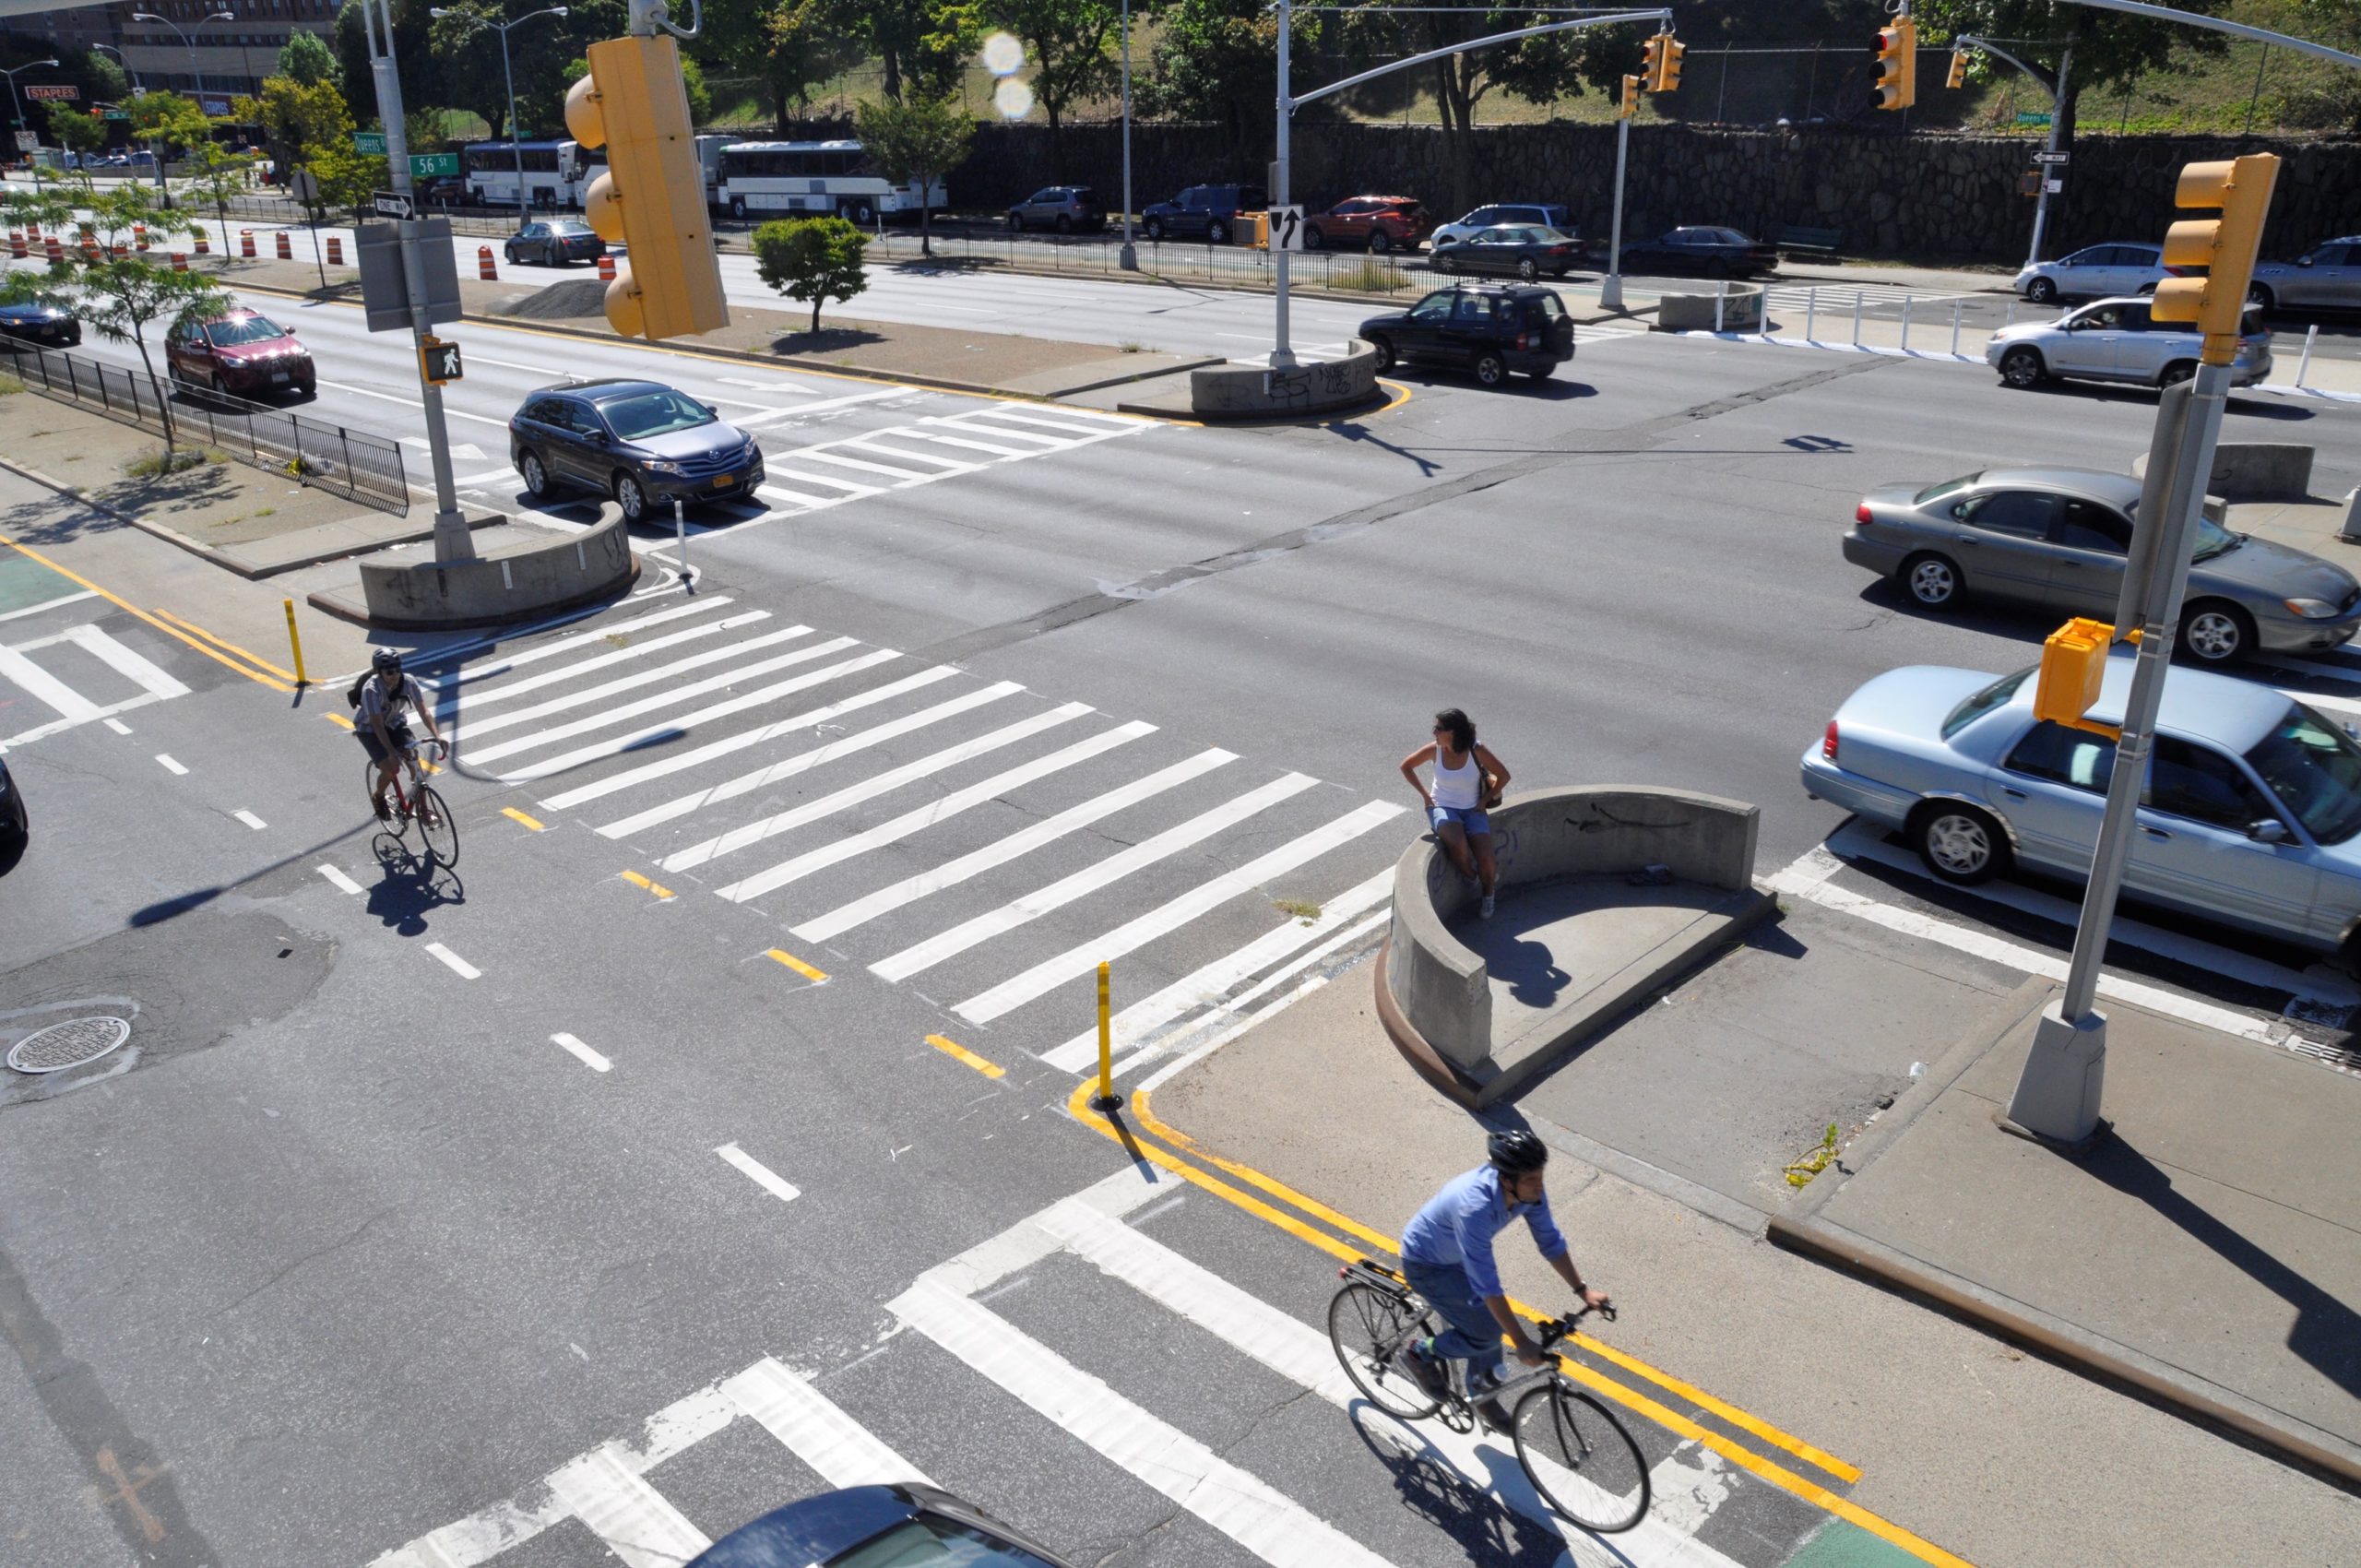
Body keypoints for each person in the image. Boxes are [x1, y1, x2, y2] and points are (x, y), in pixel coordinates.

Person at [1393, 1130, 1610, 1434]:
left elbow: (1549, 1241)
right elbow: (1487, 1284)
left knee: (1487, 1324)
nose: (1540, 1185)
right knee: (1487, 1331)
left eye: (1540, 1176)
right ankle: (1418, 1353)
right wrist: (1520, 1341)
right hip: (1428, 1264)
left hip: (1458, 1258)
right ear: (1506, 1180)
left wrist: (1582, 1291)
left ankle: (1482, 1393)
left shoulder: (1529, 1193)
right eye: (1531, 1180)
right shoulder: (1475, 1207)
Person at [1400, 707, 1510, 919]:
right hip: (1442, 806)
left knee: (1486, 856)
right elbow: (1406, 766)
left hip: (1473, 809)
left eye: (1438, 729)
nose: (1434, 733)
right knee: (1457, 841)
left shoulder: (1476, 750)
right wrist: (1425, 796)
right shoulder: (1435, 750)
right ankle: (1472, 876)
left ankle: (1488, 895)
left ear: (1453, 732)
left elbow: (1504, 775)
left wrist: (1485, 800)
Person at [359, 648, 444, 823]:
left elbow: (424, 711)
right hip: (370, 730)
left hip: (395, 723)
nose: (395, 674)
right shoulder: (371, 690)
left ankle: (423, 810)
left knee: (413, 759)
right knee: (392, 768)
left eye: (398, 669)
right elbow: (377, 724)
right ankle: (379, 796)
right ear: (378, 672)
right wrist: (391, 752)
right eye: (389, 671)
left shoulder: (409, 681)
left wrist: (437, 735)